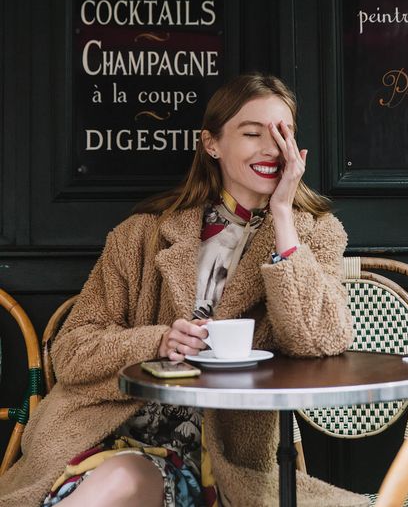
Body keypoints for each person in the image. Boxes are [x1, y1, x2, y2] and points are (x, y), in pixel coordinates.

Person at [0, 72, 369, 507]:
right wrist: (157, 339)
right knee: (123, 474)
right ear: (211, 144)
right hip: (101, 434)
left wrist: (284, 214)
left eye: (281, 134)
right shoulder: (141, 235)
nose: (270, 149)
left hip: (221, 457)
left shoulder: (314, 236)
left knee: (129, 478)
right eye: (252, 133)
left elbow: (319, 339)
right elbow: (72, 351)